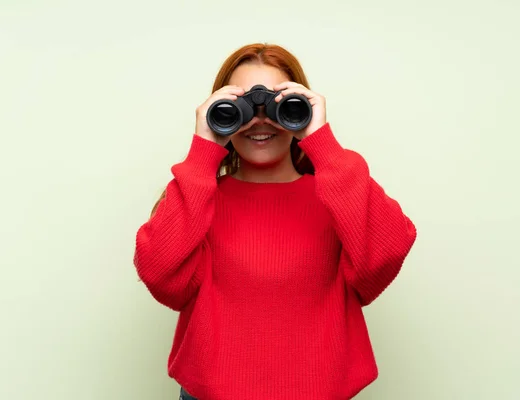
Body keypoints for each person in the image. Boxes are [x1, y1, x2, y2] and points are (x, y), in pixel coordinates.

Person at [133, 43, 417, 400]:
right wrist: (203, 150)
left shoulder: (339, 193)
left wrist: (321, 142)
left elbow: (385, 256)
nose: (260, 119)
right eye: (243, 106)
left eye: (277, 105)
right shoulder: (197, 197)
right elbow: (162, 278)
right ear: (221, 110)